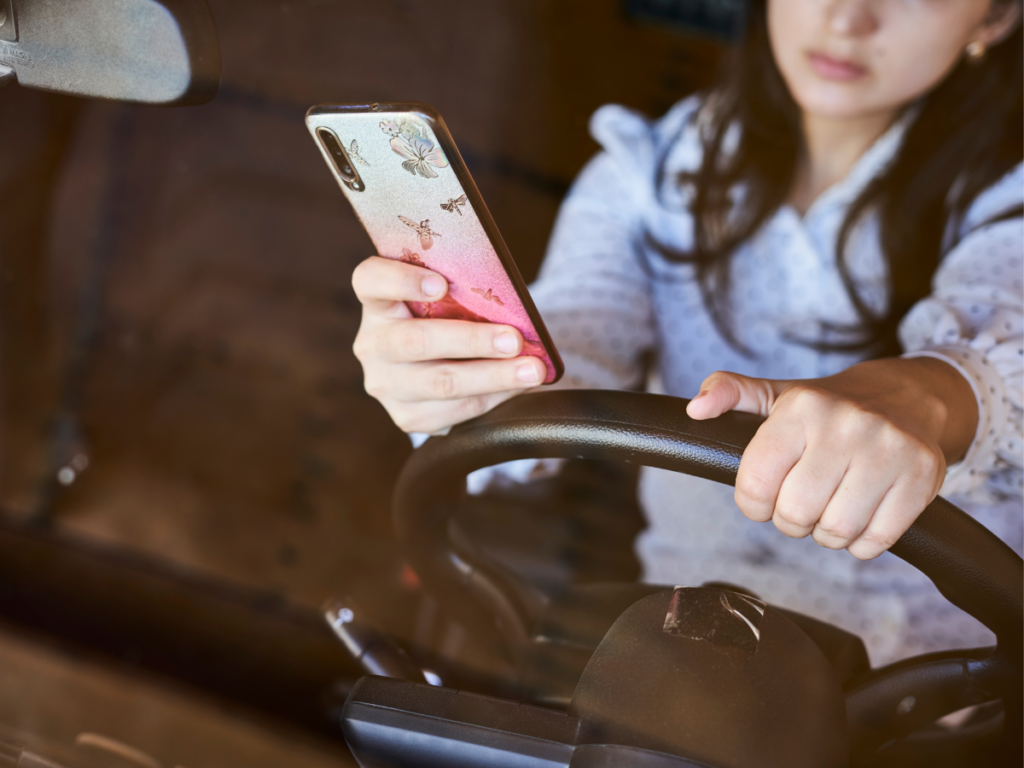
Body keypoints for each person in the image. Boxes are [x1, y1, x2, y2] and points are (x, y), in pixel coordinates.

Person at [350, 0, 1023, 664]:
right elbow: (574, 340)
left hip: (938, 686)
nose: (848, 19)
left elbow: (998, 340)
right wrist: (460, 375)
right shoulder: (648, 174)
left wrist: (926, 398)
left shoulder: (1006, 193)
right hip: (683, 668)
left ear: (993, 19)